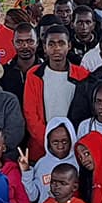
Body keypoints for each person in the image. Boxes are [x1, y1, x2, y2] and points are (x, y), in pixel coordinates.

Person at [23, 26, 89, 159]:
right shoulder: (34, 74)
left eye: (61, 43)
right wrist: (48, 142)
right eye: (51, 44)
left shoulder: (82, 75)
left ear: (69, 45)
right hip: (41, 147)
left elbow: (85, 113)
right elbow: (30, 113)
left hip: (74, 146)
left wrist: (70, 143)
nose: (57, 48)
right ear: (45, 47)